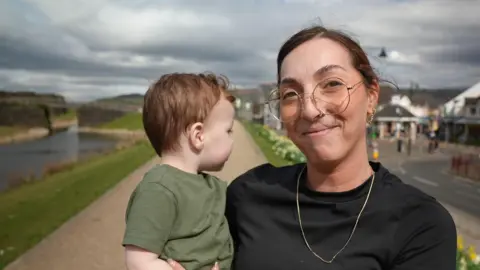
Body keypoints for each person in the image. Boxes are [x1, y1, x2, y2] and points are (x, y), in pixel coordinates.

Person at [170, 25, 457, 270]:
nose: (310, 109)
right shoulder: (246, 195)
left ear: (371, 97)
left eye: (331, 83)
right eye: (290, 94)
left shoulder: (422, 225)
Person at [123, 72, 236, 270]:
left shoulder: (206, 184)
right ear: (198, 136)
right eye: (228, 131)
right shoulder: (159, 190)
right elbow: (139, 261)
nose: (231, 140)